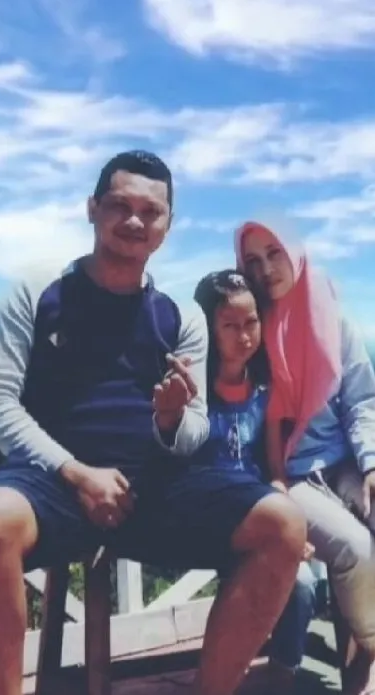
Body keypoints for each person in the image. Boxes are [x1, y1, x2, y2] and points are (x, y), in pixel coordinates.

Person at [0, 151, 306, 695]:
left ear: (167, 226)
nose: (133, 220)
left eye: (150, 212)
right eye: (118, 205)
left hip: (158, 484)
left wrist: (171, 419)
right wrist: (77, 473)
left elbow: (195, 429)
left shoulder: (181, 314)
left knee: (284, 525)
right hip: (53, 483)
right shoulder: (37, 293)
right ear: (91, 209)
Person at [235, 218, 375, 695]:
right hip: (286, 474)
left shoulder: (332, 318)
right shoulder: (249, 328)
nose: (266, 269)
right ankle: (370, 642)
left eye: (274, 253)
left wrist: (371, 464)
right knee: (355, 548)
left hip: (342, 464)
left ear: (294, 252)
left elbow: (360, 402)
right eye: (252, 261)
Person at [194, 269, 319, 692]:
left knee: (304, 586)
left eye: (250, 324)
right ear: (209, 327)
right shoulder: (194, 391)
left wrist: (288, 518)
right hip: (209, 514)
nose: (243, 336)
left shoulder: (263, 391)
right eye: (230, 325)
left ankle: (281, 675)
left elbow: (273, 469)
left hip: (261, 510)